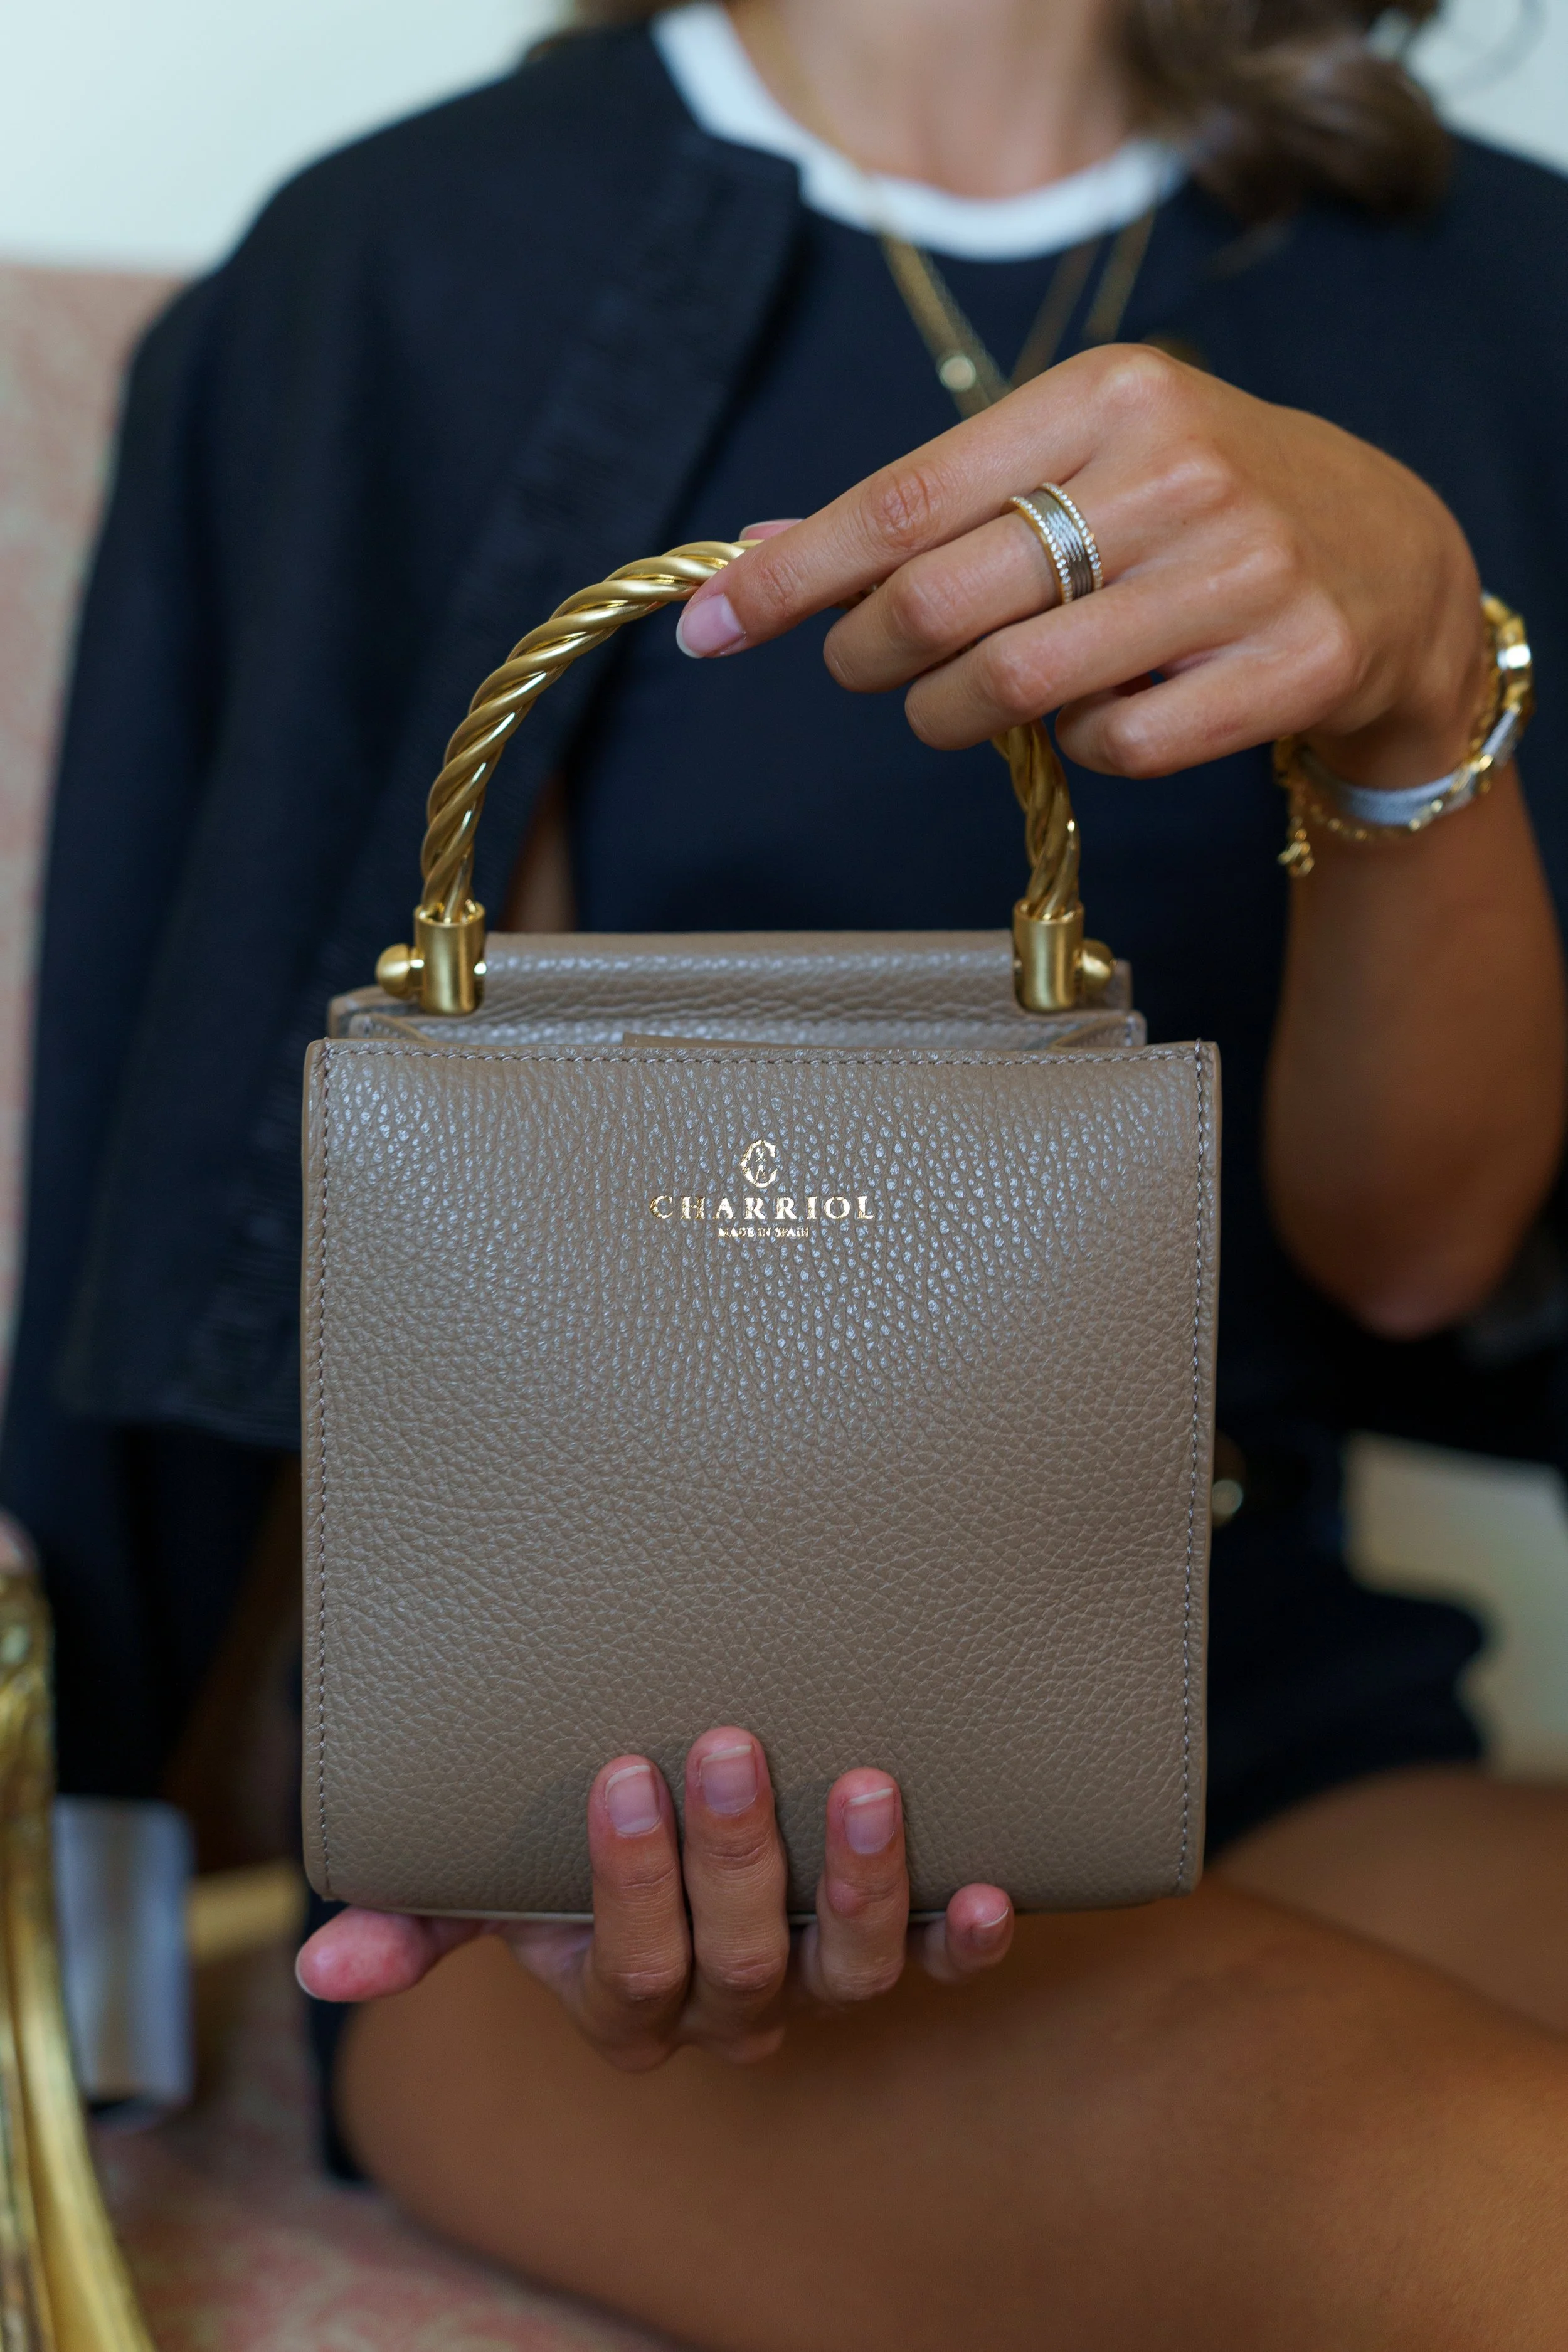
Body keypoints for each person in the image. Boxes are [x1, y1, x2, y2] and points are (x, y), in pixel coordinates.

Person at [10, 0, 1568, 2339]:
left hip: (1272, 1703)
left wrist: (1422, 675)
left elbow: (1426, 1251)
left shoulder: (1492, 288)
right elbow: (327, 1150)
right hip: (596, 1781)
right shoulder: (404, 270)